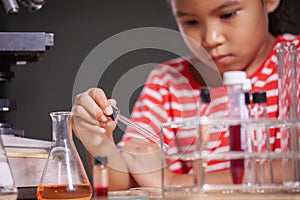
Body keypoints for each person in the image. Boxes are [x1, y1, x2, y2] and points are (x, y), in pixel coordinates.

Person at [72, 0, 299, 190]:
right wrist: (99, 140)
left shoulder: (294, 63)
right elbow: (122, 186)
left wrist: (174, 182)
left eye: (228, 14)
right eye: (191, 22)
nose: (211, 38)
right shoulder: (168, 82)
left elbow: (293, 171)